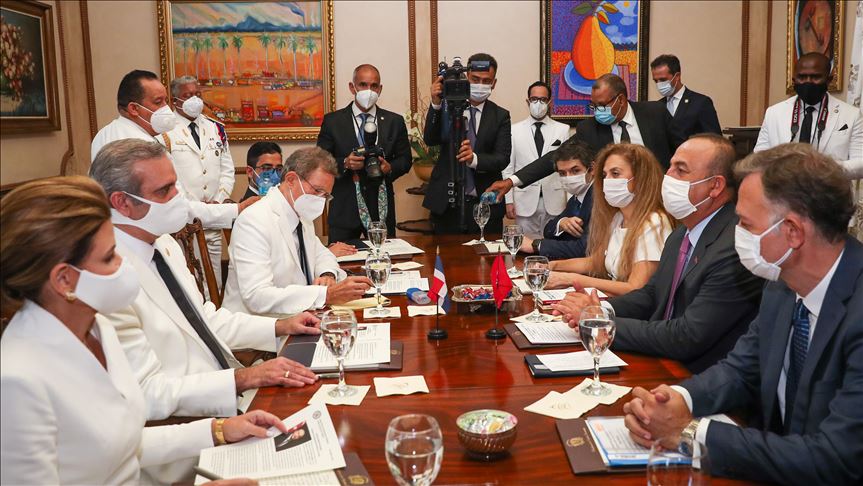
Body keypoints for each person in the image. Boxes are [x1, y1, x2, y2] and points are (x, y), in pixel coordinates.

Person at [0, 176, 285, 485]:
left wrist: (219, 430)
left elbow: (125, 440)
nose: (123, 264)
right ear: (64, 280)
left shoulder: (96, 327)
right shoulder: (17, 381)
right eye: (109, 257)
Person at [620, 144, 863, 484]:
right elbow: (740, 370)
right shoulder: (781, 286)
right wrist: (677, 399)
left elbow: (835, 458)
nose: (737, 234)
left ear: (792, 232)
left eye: (746, 224)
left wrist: (689, 432)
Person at [89, 139, 320, 424]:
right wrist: (243, 378)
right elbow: (147, 393)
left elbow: (204, 319)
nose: (178, 198)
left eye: (176, 185)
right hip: (190, 420)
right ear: (122, 202)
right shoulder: (105, 277)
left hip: (228, 393)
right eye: (164, 190)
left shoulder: (164, 245)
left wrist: (281, 326)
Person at [554, 133, 765, 372]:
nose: (668, 176)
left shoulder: (733, 246)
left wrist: (601, 323)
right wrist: (600, 310)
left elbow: (688, 335)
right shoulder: (681, 234)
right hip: (661, 358)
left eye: (680, 170)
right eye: (670, 167)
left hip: (696, 373)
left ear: (715, 186)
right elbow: (652, 294)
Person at [91, 69, 253, 229]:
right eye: (158, 102)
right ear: (134, 108)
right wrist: (236, 210)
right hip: (146, 232)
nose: (166, 108)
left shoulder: (104, 133)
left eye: (165, 101)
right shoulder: (146, 149)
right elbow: (176, 207)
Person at [222, 147, 373, 317]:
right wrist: (325, 294)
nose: (320, 200)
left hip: (300, 316)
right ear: (291, 180)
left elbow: (321, 254)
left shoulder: (301, 214)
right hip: (262, 325)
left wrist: (327, 274)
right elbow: (257, 297)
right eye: (317, 191)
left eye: (325, 195)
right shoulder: (254, 220)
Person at [485, 73, 681, 202]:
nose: (597, 111)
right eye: (594, 106)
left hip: (659, 197)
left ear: (621, 99)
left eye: (602, 105)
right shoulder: (589, 128)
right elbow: (556, 156)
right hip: (618, 204)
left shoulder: (655, 112)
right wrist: (511, 182)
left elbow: (680, 149)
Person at [545, 144, 674, 297]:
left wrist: (571, 279)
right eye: (605, 175)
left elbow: (635, 288)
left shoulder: (655, 223)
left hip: (628, 308)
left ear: (640, 178)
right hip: (610, 301)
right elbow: (596, 261)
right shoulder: (618, 217)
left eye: (615, 173)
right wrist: (552, 266)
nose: (607, 181)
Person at [316, 64, 412, 243]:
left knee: (384, 255)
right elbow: (321, 160)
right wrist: (345, 163)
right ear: (352, 87)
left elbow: (405, 160)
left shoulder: (394, 121)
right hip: (344, 207)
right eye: (363, 85)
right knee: (341, 257)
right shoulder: (333, 121)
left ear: (380, 89)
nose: (369, 90)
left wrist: (389, 167)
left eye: (374, 86)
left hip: (380, 207)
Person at [423, 53, 512, 234]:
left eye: (486, 81)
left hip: (484, 202)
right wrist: (436, 104)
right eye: (475, 79)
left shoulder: (500, 116)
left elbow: (502, 158)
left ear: (494, 83)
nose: (480, 85)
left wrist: (474, 159)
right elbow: (431, 139)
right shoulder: (447, 107)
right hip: (446, 204)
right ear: (466, 78)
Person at [161, 75, 235, 290]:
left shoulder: (216, 128)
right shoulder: (165, 133)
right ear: (175, 100)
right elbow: (169, 177)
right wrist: (195, 207)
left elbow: (227, 170)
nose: (194, 100)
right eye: (187, 95)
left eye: (197, 94)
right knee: (191, 283)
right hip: (185, 222)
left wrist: (218, 200)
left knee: (215, 283)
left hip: (214, 217)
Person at [755, 52, 862, 177]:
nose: (808, 82)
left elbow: (861, 163)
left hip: (830, 187)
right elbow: (759, 157)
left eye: (815, 77)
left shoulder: (851, 115)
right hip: (784, 186)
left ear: (829, 80)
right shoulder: (774, 113)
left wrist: (824, 168)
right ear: (794, 80)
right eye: (802, 77)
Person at [502, 81, 572, 237]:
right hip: (524, 202)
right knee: (525, 246)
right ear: (528, 101)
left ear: (549, 102)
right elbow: (508, 168)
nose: (538, 103)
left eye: (543, 99)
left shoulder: (562, 129)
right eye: (534, 99)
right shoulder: (514, 130)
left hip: (555, 201)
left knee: (554, 245)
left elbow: (568, 168)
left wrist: (570, 201)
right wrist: (509, 201)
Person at [519, 141, 595, 260]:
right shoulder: (576, 198)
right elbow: (548, 230)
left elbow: (586, 248)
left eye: (575, 171)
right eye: (562, 173)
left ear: (592, 169)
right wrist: (561, 223)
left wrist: (536, 245)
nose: (568, 177)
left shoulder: (599, 198)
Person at [650, 54, 722, 138]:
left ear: (677, 76)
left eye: (663, 80)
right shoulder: (659, 106)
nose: (659, 84)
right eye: (656, 81)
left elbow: (714, 139)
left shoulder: (701, 103)